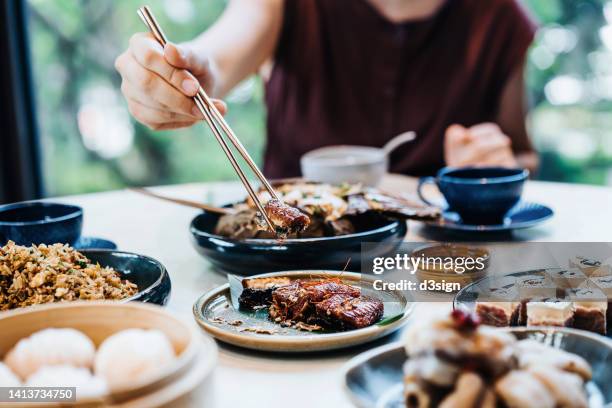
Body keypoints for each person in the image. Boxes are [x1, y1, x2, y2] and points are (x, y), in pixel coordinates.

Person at [115, 0, 539, 178]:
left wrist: (489, 168)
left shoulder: (498, 17)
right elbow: (219, 56)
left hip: (435, 271)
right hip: (288, 264)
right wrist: (183, 73)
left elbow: (522, 155)